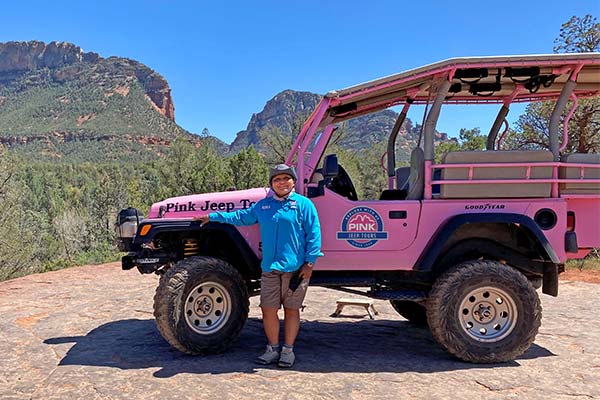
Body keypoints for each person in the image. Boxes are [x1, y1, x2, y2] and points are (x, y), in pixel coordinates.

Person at [194, 164, 322, 368]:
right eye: (277, 179)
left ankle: (288, 351)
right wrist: (212, 217)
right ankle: (272, 348)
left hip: (296, 269)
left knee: (291, 309)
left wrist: (309, 263)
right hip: (270, 268)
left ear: (293, 181)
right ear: (271, 184)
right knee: (268, 309)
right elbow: (240, 217)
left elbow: (314, 234)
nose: (281, 182)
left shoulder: (304, 205)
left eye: (285, 178)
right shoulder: (263, 206)